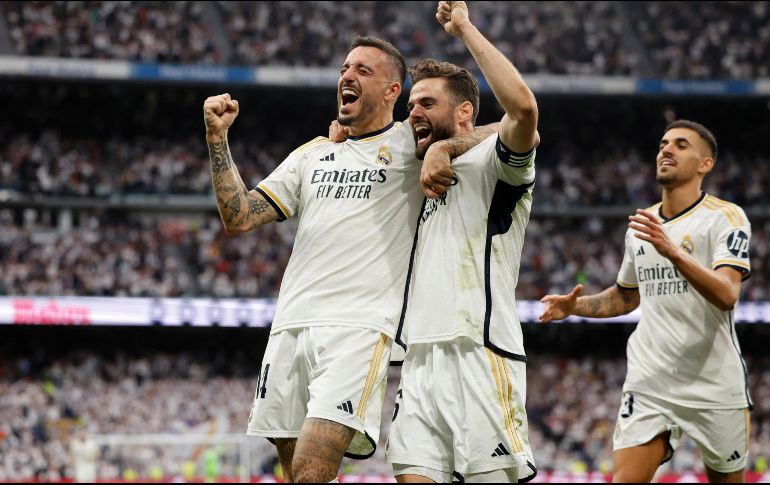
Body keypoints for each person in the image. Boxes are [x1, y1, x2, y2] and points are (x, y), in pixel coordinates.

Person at [203, 36, 495, 482]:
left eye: (362, 70)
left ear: (393, 91)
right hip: (290, 324)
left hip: (359, 328)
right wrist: (217, 138)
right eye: (344, 68)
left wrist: (442, 148)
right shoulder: (312, 153)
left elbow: (517, 128)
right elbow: (239, 216)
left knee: (311, 471)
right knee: (294, 472)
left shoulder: (408, 143)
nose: (347, 76)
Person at [539, 120, 752, 483]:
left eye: (681, 145)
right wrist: (575, 307)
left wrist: (672, 251)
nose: (666, 149)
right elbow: (625, 296)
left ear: (706, 164)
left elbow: (728, 294)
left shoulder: (725, 218)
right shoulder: (643, 224)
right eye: (663, 144)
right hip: (650, 381)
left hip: (714, 383)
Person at [384, 1, 540, 482]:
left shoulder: (496, 164)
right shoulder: (408, 170)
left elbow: (525, 111)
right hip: (417, 360)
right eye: (411, 105)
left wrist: (465, 29)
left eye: (427, 103)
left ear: (465, 111)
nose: (414, 113)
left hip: (481, 352)